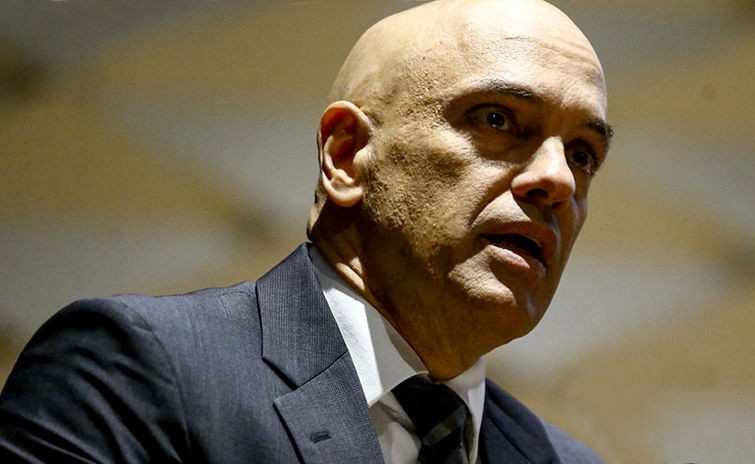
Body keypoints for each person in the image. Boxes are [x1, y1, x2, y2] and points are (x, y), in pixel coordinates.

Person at [0, 0, 612, 462]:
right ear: (346, 156)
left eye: (583, 154)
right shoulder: (136, 373)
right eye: (498, 119)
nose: (558, 179)